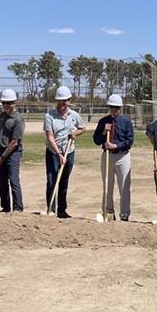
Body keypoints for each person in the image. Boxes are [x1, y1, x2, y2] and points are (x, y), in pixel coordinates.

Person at [43, 86, 85, 218]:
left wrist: (75, 133)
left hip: (69, 151)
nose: (62, 103)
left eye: (65, 100)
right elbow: (50, 137)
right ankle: (51, 209)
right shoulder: (49, 116)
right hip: (53, 152)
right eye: (59, 100)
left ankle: (62, 210)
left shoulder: (74, 115)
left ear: (69, 100)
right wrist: (59, 154)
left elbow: (82, 128)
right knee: (51, 181)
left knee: (64, 181)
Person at [93, 94, 134, 221]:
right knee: (107, 186)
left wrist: (115, 145)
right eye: (112, 107)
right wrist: (104, 132)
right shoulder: (103, 121)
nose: (114, 110)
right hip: (107, 157)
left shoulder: (126, 122)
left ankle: (124, 215)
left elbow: (129, 141)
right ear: (109, 107)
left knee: (124, 187)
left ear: (120, 108)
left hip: (122, 157)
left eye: (116, 107)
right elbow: (96, 140)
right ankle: (109, 212)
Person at [0, 89, 24, 213]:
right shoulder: (2, 115)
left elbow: (14, 142)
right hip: (0, 150)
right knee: (2, 180)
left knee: (13, 179)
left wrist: (2, 157)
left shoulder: (18, 119)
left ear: (14, 103)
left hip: (13, 153)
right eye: (4, 103)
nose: (6, 106)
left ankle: (18, 208)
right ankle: (5, 207)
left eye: (9, 103)